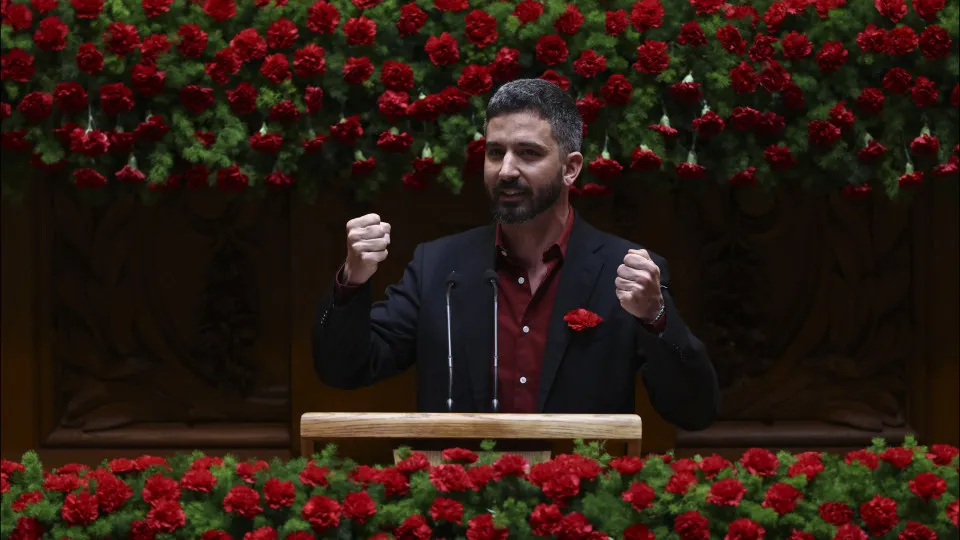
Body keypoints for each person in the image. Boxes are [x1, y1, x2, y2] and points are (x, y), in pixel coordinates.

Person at [312, 78, 720, 432]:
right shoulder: (437, 266)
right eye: (495, 153)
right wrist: (352, 279)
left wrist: (655, 318)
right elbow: (343, 369)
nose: (506, 170)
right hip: (461, 490)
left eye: (528, 153)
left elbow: (694, 411)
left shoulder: (625, 269)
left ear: (570, 168)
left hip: (582, 493)